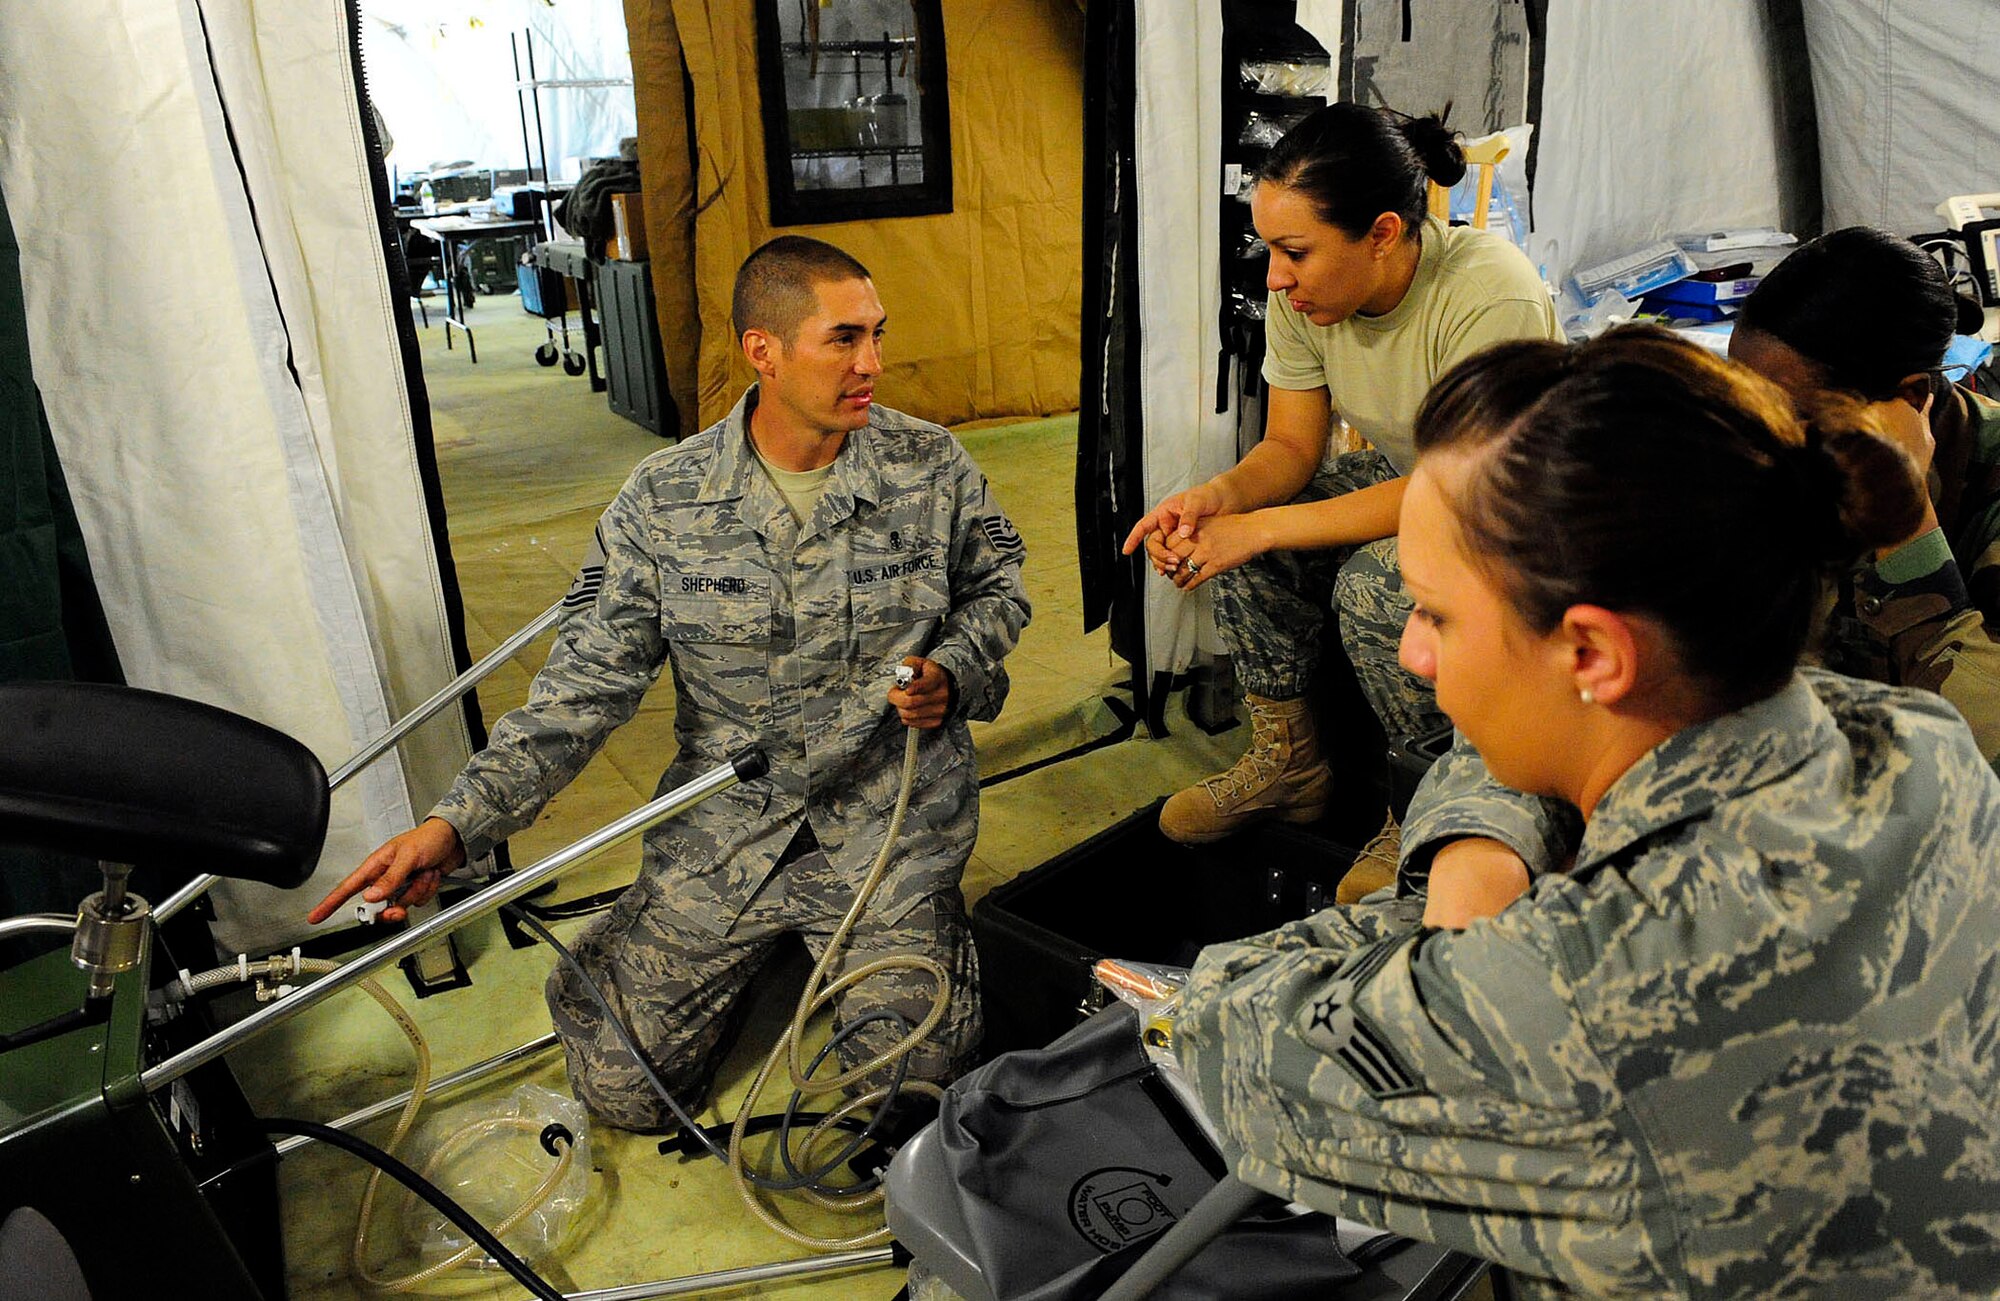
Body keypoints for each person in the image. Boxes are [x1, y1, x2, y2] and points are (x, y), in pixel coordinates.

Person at [1175, 326, 2000, 1297]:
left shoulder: (1569, 991)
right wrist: (1485, 831)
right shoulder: (1917, 745)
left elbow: (1219, 1034)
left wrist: (1458, 870)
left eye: (1434, 614)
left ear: (1595, 654)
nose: (1410, 652)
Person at [309, 235, 1032, 1130]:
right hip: (731, 832)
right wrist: (459, 823)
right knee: (623, 1094)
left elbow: (1001, 590)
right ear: (762, 350)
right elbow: (583, 688)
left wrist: (954, 673)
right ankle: (719, 947)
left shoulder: (931, 467)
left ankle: (905, 942)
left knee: (908, 1094)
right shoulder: (664, 500)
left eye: (877, 335)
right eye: (844, 339)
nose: (873, 364)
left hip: (890, 821)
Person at [1406, 226, 2000, 929]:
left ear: (1912, 396)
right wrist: (1482, 836)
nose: (1763, 435)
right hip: (1718, 811)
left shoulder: (1982, 493)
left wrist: (1908, 524)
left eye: (1795, 414)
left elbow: (1983, 745)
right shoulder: (1740, 453)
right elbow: (1560, 637)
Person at [1119, 102, 1559, 847]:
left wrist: (1255, 527)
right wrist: (1215, 500)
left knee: (1377, 581)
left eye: (1295, 251)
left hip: (1519, 517)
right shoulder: (1307, 295)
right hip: (1420, 484)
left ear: (1383, 234)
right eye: (1269, 250)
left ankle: (1430, 805)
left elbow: (1459, 491)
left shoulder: (1488, 293)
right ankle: (1290, 766)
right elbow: (1292, 447)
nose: (1276, 277)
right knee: (1247, 549)